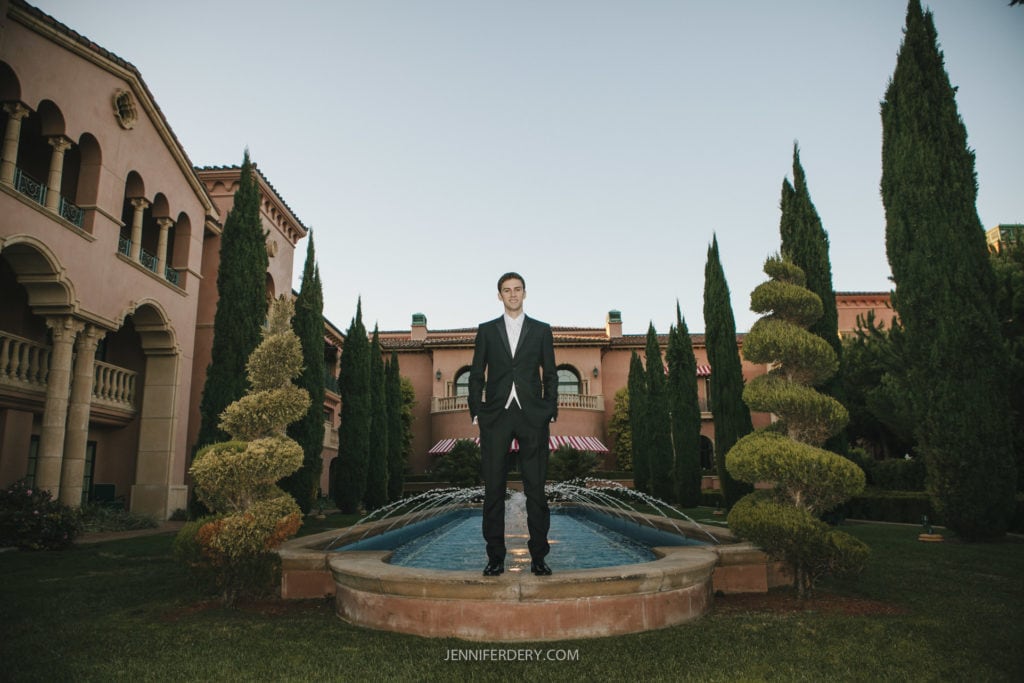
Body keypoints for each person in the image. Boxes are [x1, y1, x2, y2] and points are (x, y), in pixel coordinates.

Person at [468, 272, 558, 576]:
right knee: (493, 489)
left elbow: (551, 374)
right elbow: (477, 372)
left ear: (525, 293)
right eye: (507, 290)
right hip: (496, 416)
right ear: (499, 296)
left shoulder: (542, 330)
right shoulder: (487, 330)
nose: (513, 294)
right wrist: (476, 409)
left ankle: (538, 557)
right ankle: (495, 557)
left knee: (537, 490)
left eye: (517, 289)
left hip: (533, 415)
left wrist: (550, 408)